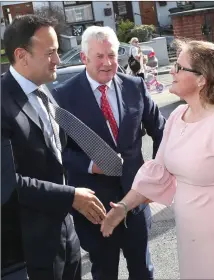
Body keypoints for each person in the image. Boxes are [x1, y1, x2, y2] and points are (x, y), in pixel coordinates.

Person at [101, 39, 214, 279]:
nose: (171, 71)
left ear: (202, 79)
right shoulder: (179, 115)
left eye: (179, 67)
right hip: (191, 237)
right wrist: (123, 208)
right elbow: (158, 172)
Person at [53, 25, 166, 280]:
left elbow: (162, 132)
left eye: (112, 55)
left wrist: (155, 178)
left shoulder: (135, 87)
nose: (107, 63)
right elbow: (57, 151)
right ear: (84, 58)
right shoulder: (62, 96)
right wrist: (90, 164)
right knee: (105, 273)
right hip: (94, 209)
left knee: (143, 271)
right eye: (99, 57)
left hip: (135, 203)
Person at [1, 15, 106, 280]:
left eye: (57, 51)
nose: (58, 60)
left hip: (66, 239)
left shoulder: (44, 92)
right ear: (22, 55)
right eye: (50, 53)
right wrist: (70, 196)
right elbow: (6, 184)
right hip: (27, 252)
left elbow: (58, 155)